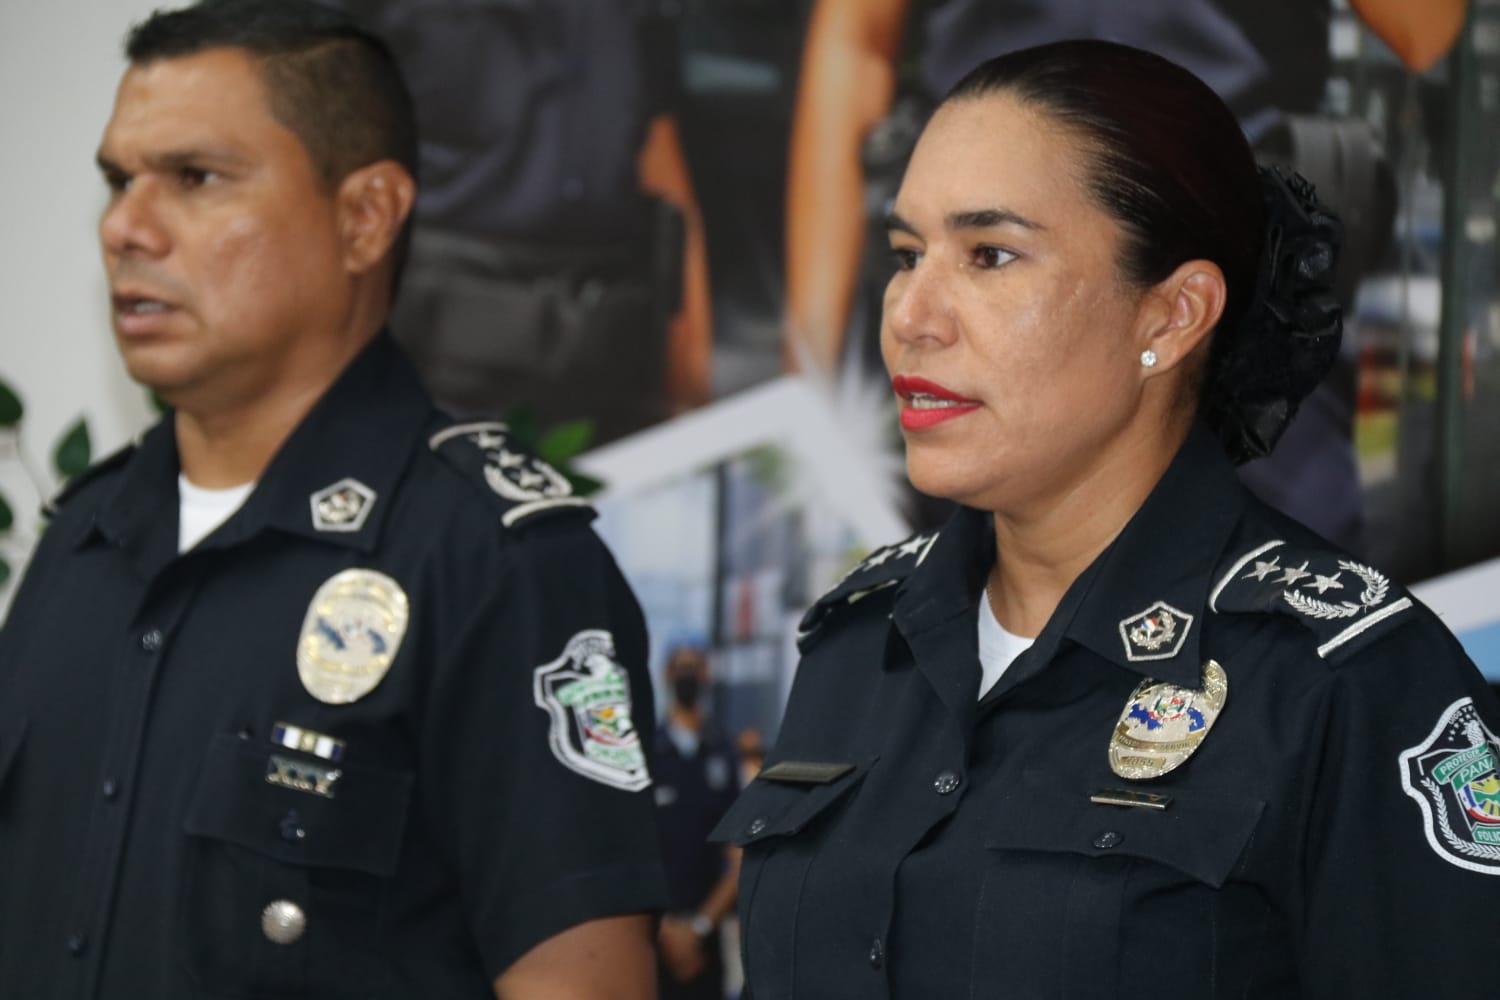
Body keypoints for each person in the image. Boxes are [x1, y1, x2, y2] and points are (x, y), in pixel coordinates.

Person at [713, 41, 1500, 998]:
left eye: (990, 255)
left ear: (1171, 316)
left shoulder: (1343, 683)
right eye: (907, 256)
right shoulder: (858, 642)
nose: (911, 315)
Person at [0, 2, 665, 997]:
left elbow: (581, 982)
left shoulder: (493, 560)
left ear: (364, 217)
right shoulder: (83, 542)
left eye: (195, 178)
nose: (124, 228)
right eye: (118, 180)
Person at [783, 0, 1468, 549]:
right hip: (983, 298)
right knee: (984, 638)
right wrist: (809, 375)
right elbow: (857, 41)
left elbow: (1428, 29)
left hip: (1231, 310)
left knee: (1279, 636)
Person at [651, 646, 741, 1000]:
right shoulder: (645, 751)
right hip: (653, 937)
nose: (687, 675)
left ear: (706, 676)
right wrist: (666, 930)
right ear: (666, 675)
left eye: (694, 667)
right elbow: (629, 850)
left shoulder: (724, 750)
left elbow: (738, 853)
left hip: (706, 938)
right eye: (680, 667)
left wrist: (700, 927)